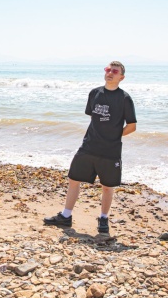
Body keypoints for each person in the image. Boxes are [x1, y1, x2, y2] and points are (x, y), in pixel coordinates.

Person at [44, 61, 137, 234]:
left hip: (110, 150)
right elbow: (94, 119)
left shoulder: (124, 98)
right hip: (88, 146)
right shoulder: (94, 93)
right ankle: (66, 216)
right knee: (73, 179)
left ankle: (103, 219)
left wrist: (113, 136)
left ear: (121, 77)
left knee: (107, 186)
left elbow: (132, 126)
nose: (110, 73)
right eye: (108, 69)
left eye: (114, 71)